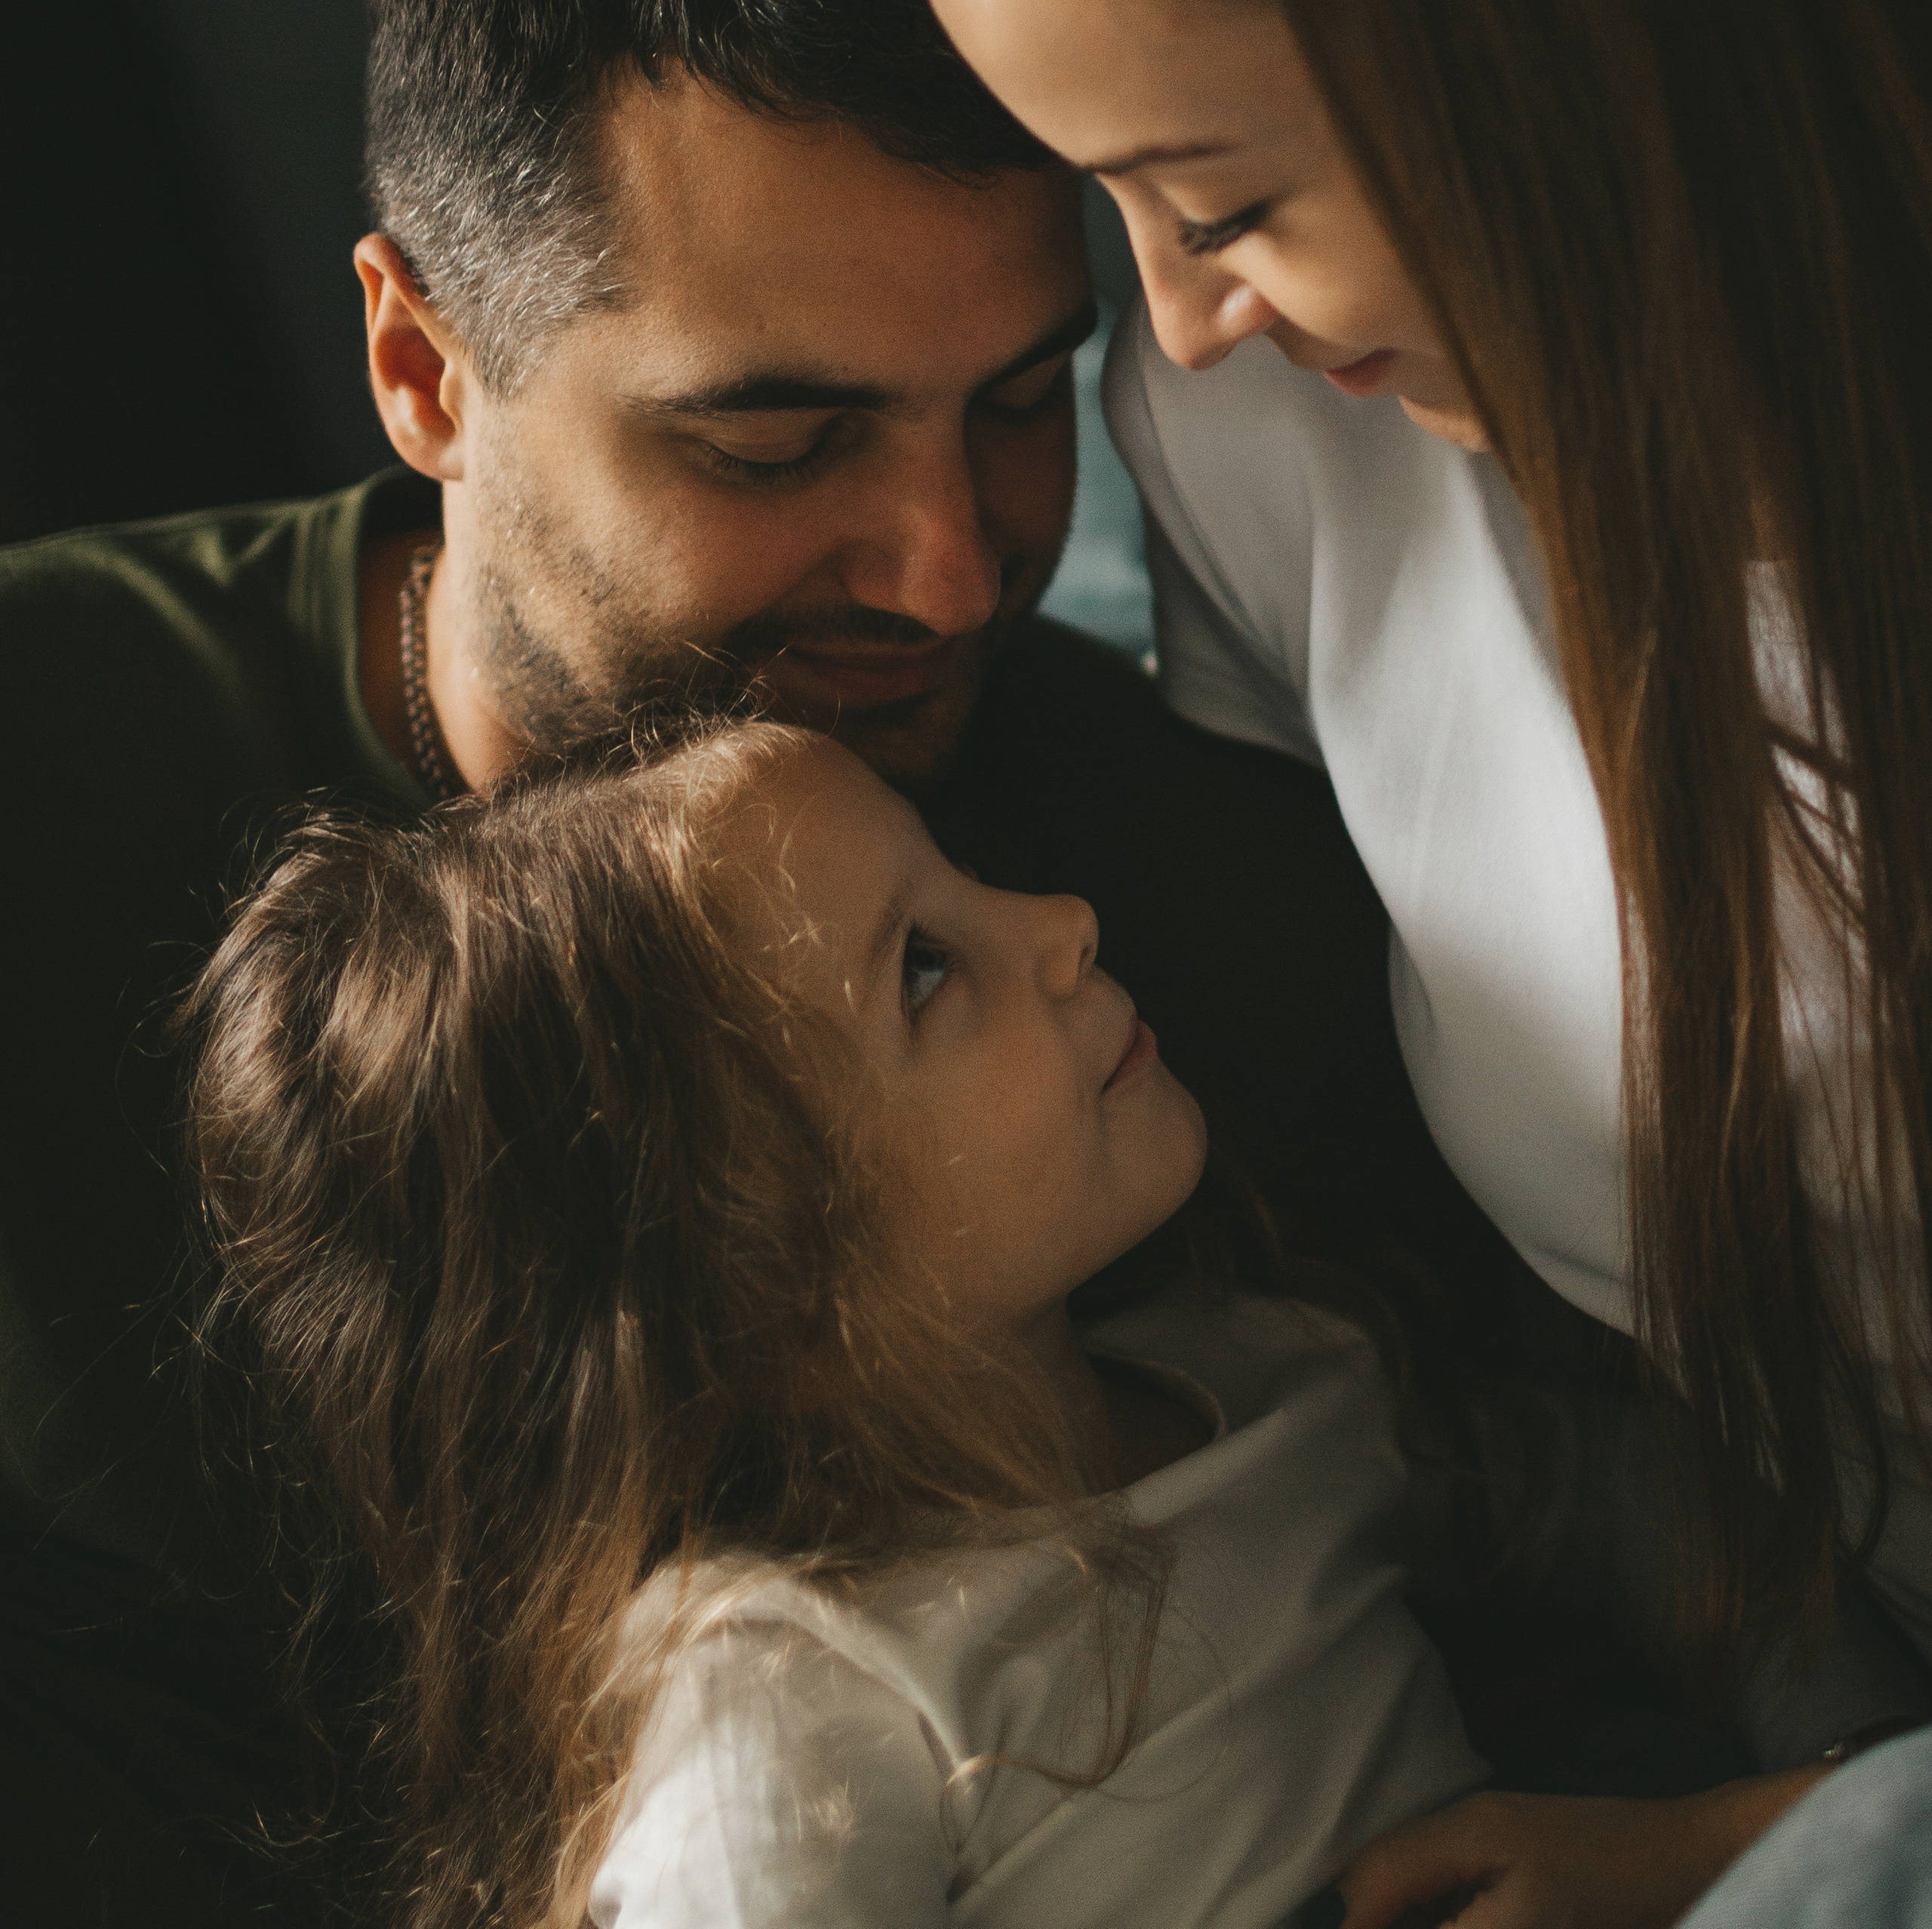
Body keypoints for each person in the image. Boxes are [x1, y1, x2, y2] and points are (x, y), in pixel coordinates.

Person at [0, 0, 1453, 1925]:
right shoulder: (57, 761)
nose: (952, 573)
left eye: (1014, 407)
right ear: (423, 371)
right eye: (773, 448)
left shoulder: (1172, 904)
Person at [895, 0, 1932, 1924]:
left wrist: (1765, 1844)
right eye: (1100, 206)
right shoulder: (1269, 442)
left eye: (1215, 193)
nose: (1177, 327)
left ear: (1540, 25)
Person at [180, 719, 1916, 1929]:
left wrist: (1820, 1778)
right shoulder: (791, 1684)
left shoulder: (1266, 1379)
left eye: (968, 883)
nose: (1063, 925)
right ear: (765, 1294)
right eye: (925, 968)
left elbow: (1647, 1505)